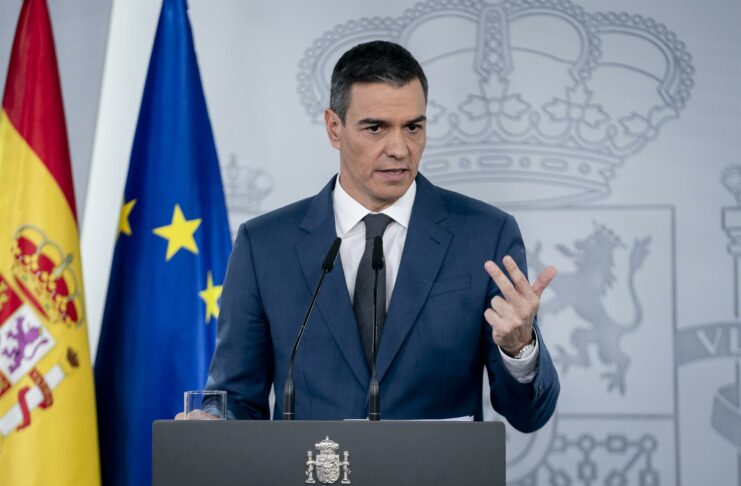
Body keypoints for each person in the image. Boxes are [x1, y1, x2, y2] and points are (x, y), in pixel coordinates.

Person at [202, 40, 559, 432]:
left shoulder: (485, 235)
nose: (399, 149)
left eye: (413, 127)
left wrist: (519, 347)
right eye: (376, 128)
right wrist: (210, 422)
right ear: (334, 128)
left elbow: (529, 416)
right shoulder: (264, 245)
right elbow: (236, 398)